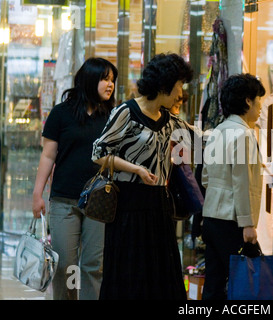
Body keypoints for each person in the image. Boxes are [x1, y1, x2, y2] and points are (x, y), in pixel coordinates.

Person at [91, 53, 201, 300]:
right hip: (128, 204)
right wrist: (136, 169)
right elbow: (98, 153)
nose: (180, 94)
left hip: (158, 205)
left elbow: (201, 137)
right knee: (128, 273)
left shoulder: (169, 119)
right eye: (178, 87)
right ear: (164, 86)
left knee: (161, 274)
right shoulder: (125, 112)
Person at [32, 57, 118, 300]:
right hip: (64, 200)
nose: (110, 85)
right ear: (89, 80)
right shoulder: (61, 114)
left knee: (94, 265)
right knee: (66, 266)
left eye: (112, 80)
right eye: (104, 79)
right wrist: (37, 194)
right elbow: (48, 156)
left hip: (100, 203)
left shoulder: (112, 116)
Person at [201, 73, 266, 300]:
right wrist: (248, 223)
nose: (260, 107)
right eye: (259, 100)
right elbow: (242, 182)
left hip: (211, 217)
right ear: (248, 100)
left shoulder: (217, 131)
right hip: (232, 221)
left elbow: (206, 177)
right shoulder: (244, 135)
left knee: (214, 285)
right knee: (243, 286)